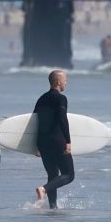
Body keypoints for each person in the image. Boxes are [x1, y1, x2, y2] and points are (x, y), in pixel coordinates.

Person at [33, 69, 74, 209]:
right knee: (69, 174)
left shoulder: (41, 98)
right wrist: (68, 141)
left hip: (43, 142)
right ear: (58, 82)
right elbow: (63, 120)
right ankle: (43, 189)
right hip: (57, 141)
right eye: (65, 80)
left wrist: (36, 146)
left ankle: (53, 206)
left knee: (52, 174)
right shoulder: (61, 98)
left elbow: (34, 122)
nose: (66, 83)